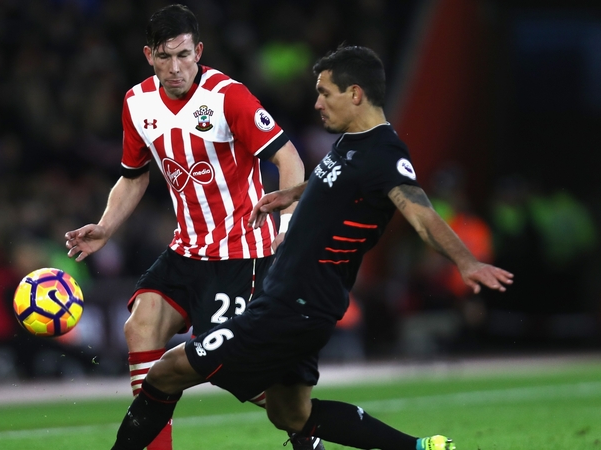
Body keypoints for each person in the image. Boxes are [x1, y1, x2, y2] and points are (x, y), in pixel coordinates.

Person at [109, 45, 514, 450]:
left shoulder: (383, 153)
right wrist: (292, 195)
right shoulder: (351, 143)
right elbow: (333, 184)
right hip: (301, 304)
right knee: (290, 413)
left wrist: (466, 262)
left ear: (355, 94)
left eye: (325, 93)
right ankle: (421, 448)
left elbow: (422, 215)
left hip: (292, 305)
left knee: (167, 371)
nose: (317, 103)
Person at [65, 5, 309, 450]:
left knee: (231, 372)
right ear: (148, 56)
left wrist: (287, 223)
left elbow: (288, 158)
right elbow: (134, 174)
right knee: (141, 327)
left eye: (183, 55)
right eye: (164, 57)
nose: (175, 68)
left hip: (241, 253)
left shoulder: (227, 96)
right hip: (186, 250)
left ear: (198, 51)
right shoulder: (137, 104)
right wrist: (105, 227)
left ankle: (306, 427)